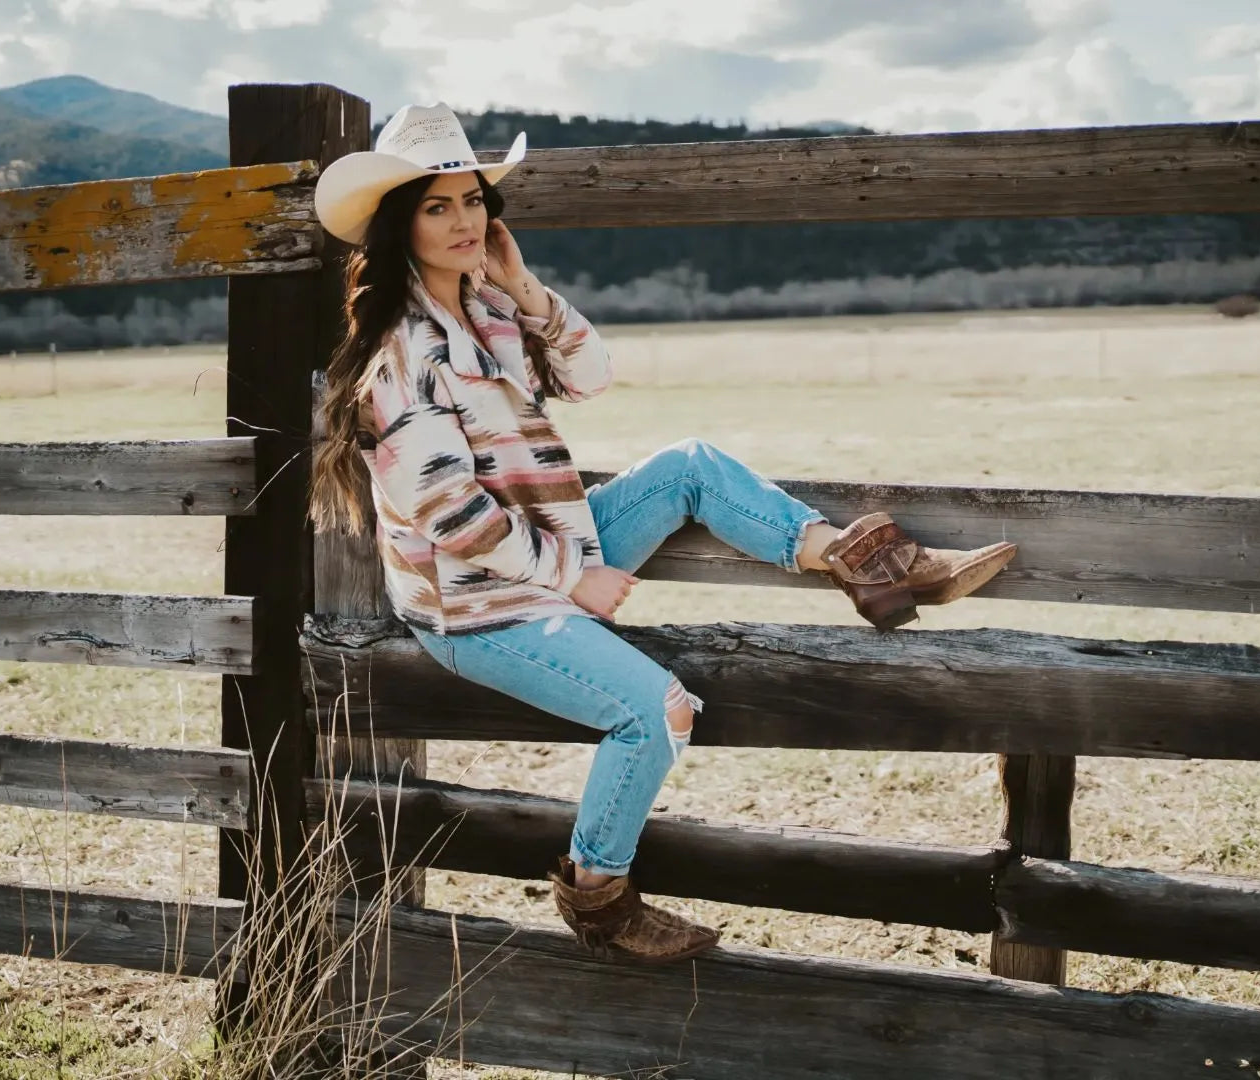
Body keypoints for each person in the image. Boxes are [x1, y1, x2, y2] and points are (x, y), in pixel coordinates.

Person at [308, 103, 1017, 964]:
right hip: (477, 607)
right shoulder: (400, 353)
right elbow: (447, 513)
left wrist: (526, 289)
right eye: (437, 206)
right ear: (397, 225)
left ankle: (871, 564)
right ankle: (596, 893)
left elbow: (592, 375)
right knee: (657, 710)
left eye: (474, 201)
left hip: (545, 545)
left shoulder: (490, 310)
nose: (465, 222)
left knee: (689, 464)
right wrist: (574, 578)